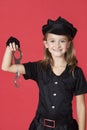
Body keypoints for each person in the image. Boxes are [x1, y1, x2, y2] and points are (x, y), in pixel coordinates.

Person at [1, 16, 87, 130]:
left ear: (69, 44)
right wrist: (9, 49)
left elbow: (81, 106)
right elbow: (7, 67)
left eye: (62, 41)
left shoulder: (76, 73)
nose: (57, 45)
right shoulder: (39, 68)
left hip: (66, 127)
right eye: (52, 41)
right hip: (40, 127)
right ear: (46, 44)